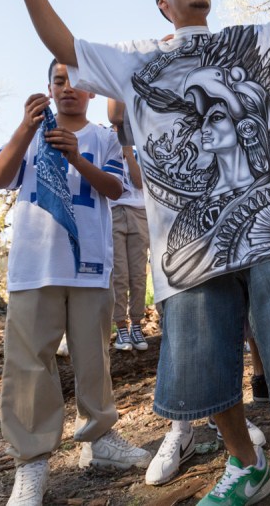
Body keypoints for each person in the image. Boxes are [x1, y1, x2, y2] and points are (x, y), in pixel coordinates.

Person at [0, 0, 270, 506]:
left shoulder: (249, 43)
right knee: (201, 375)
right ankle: (247, 465)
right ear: (163, 1)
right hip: (189, 248)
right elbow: (67, 46)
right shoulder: (135, 63)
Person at [0, 60, 151, 506]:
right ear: (49, 88)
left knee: (93, 355)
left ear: (91, 92)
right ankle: (32, 462)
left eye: (78, 84)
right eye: (60, 82)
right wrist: (24, 128)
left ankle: (100, 438)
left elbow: (116, 190)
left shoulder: (102, 138)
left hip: (91, 266)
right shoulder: (28, 136)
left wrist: (76, 155)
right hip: (35, 266)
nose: (69, 90)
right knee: (29, 362)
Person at [106, 99, 151, 352]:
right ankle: (120, 327)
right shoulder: (102, 142)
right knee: (119, 274)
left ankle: (137, 324)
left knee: (138, 274)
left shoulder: (138, 147)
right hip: (112, 213)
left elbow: (139, 182)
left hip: (138, 213)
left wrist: (127, 152)